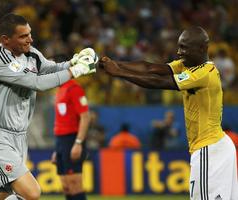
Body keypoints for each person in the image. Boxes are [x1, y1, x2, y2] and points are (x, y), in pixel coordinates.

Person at [100, 26, 238, 199]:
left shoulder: (204, 73)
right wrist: (114, 64)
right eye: (179, 46)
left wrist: (119, 73)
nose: (179, 52)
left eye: (184, 47)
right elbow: (150, 68)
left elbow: (159, 82)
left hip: (209, 149)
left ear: (202, 48)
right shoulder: (188, 65)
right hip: (214, 148)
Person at [0, 13, 98, 200]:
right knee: (31, 193)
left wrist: (73, 62)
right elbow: (37, 83)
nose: (30, 39)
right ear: (6, 40)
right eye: (23, 36)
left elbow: (50, 68)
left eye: (29, 33)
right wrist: (76, 71)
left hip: (18, 138)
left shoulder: (30, 54)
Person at [51, 79, 90, 200]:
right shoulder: (60, 89)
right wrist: (57, 149)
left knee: (74, 185)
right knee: (66, 186)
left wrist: (78, 143)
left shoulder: (74, 89)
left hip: (72, 139)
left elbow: (85, 117)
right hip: (61, 141)